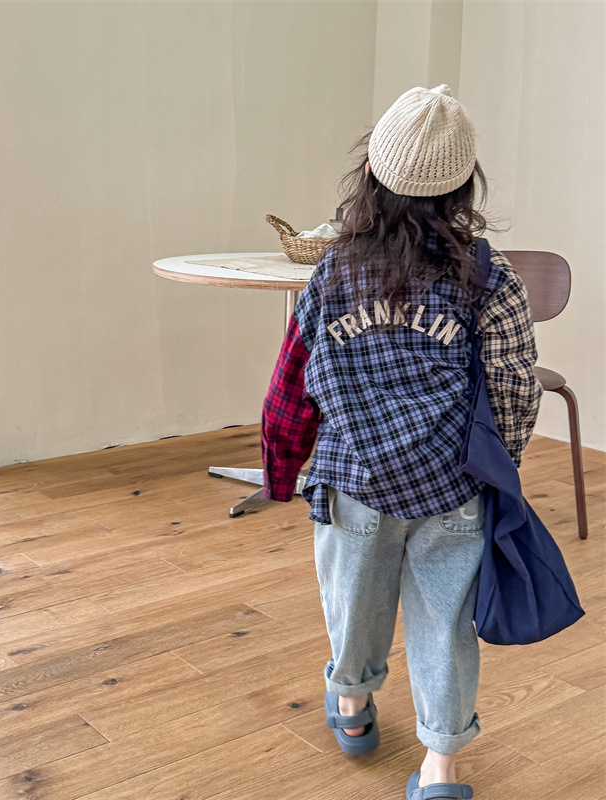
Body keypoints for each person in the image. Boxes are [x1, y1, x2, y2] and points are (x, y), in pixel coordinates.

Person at [260, 85, 542, 799]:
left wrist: (281, 470)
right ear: (464, 187)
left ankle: (353, 704)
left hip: (353, 482)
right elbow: (514, 386)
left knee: (352, 603)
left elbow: (291, 386)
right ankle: (441, 769)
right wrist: (500, 468)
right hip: (452, 485)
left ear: (369, 176)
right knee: (445, 624)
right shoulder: (490, 275)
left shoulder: (330, 273)